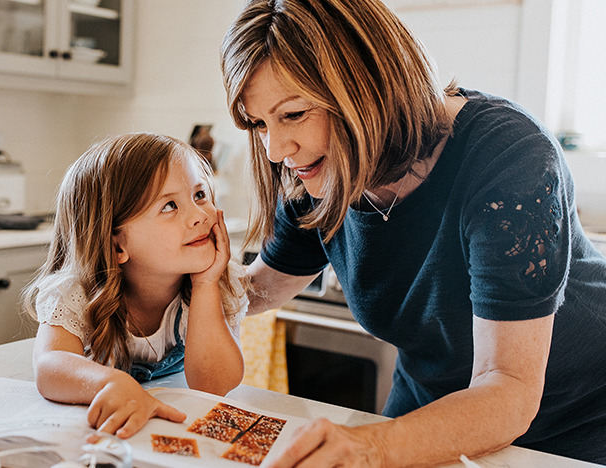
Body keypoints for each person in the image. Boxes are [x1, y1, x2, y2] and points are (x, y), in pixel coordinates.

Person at [220, 0, 606, 466]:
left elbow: (508, 386)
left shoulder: (510, 158)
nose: (277, 149)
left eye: (295, 114)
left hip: (575, 417)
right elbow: (258, 290)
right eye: (259, 123)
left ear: (366, 85)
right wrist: (175, 278)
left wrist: (372, 447)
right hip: (435, 399)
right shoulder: (315, 172)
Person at [24, 132, 247, 439]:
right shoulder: (77, 293)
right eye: (169, 206)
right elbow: (50, 367)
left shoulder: (219, 284)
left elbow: (214, 386)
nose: (200, 215)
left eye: (199, 195)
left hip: (175, 425)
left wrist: (206, 284)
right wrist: (109, 383)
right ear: (117, 247)